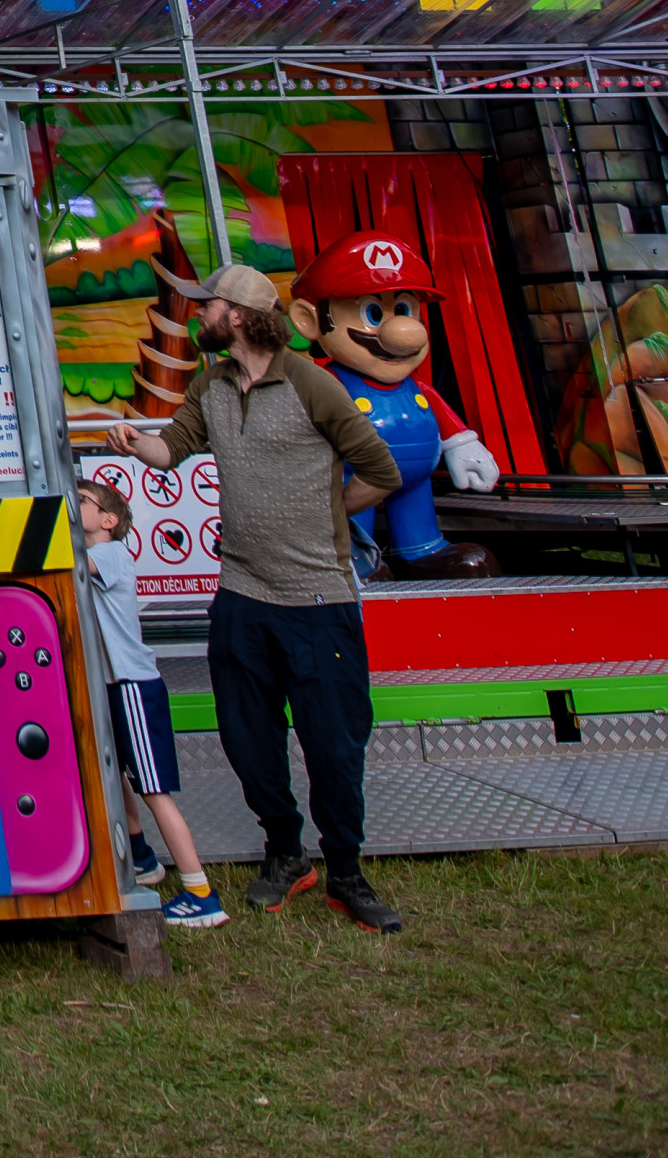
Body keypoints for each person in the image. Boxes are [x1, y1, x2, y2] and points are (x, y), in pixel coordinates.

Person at [126, 263, 403, 932]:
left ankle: (347, 872)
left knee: (333, 746)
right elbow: (173, 449)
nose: (199, 315)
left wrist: (328, 513)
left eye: (208, 306)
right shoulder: (211, 385)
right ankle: (286, 852)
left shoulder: (311, 384)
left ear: (241, 316)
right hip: (242, 595)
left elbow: (381, 471)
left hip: (317, 599)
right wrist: (135, 444)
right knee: (247, 739)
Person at [75, 471, 222, 928]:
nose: (71, 506)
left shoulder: (110, 554)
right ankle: (140, 857)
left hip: (133, 686)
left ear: (109, 520)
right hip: (110, 686)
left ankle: (201, 892)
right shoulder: (95, 551)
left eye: (81, 499)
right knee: (114, 774)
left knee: (154, 790)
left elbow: (70, 560)